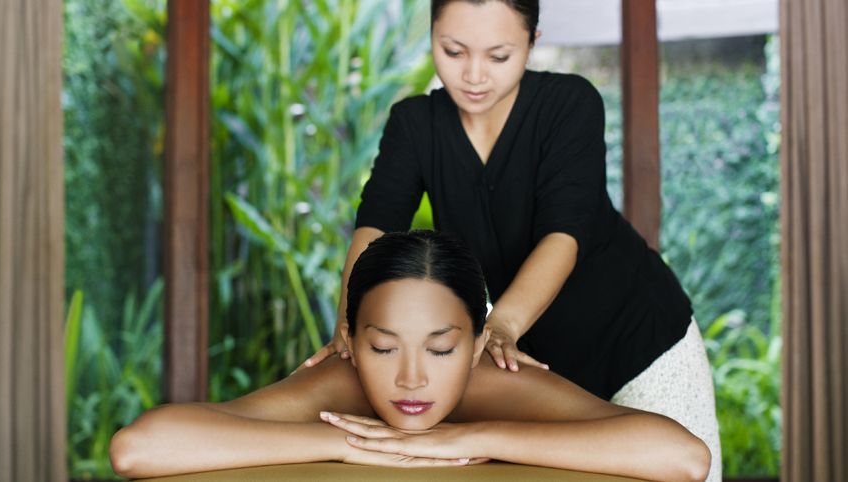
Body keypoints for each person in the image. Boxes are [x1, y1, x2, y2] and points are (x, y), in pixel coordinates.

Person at [300, 1, 722, 480]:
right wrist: (348, 325)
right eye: (453, 51)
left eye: (498, 56)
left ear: (532, 43)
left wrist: (500, 325)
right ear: (432, 34)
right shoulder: (415, 124)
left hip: (638, 338)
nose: (474, 75)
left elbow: (564, 235)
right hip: (536, 364)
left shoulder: (569, 103)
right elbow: (374, 227)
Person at [110, 231, 710, 481]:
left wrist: (473, 438)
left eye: (442, 348)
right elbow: (138, 447)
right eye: (382, 346)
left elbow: (682, 458)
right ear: (349, 339)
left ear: (479, 344)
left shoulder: (495, 383)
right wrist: (352, 442)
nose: (411, 377)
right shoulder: (339, 384)